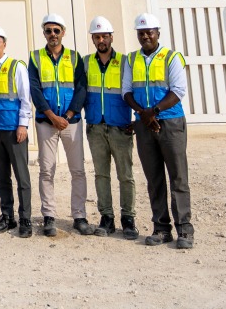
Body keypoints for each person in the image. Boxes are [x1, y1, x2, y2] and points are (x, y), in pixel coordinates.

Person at [122, 13, 194, 249]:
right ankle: (161, 229)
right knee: (154, 179)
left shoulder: (171, 58)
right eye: (141, 33)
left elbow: (178, 90)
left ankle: (184, 230)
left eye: (149, 32)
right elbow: (127, 91)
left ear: (158, 33)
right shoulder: (132, 60)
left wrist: (153, 111)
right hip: (144, 124)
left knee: (178, 177)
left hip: (170, 123)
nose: (145, 36)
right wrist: (144, 114)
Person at [28, 13, 93, 237]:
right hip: (46, 122)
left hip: (71, 121)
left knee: (77, 170)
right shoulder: (35, 57)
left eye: (56, 31)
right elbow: (35, 90)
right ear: (44, 33)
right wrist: (52, 116)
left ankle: (79, 216)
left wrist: (67, 115)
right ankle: (49, 216)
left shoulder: (75, 58)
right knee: (46, 170)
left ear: (63, 32)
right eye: (48, 31)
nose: (53, 35)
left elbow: (81, 88)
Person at [83, 15, 138, 240]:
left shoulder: (125, 62)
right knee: (101, 175)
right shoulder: (86, 62)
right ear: (93, 39)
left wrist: (136, 119)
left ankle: (128, 218)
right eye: (97, 37)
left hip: (120, 127)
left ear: (111, 37)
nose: (101, 40)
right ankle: (107, 217)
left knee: (125, 175)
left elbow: (134, 90)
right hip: (96, 126)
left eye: (105, 36)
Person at [0, 25, 34, 238]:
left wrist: (23, 125)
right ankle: (7, 215)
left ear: (4, 44)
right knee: (1, 176)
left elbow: (25, 98)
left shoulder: (16, 66)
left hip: (14, 129)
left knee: (22, 176)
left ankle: (25, 218)